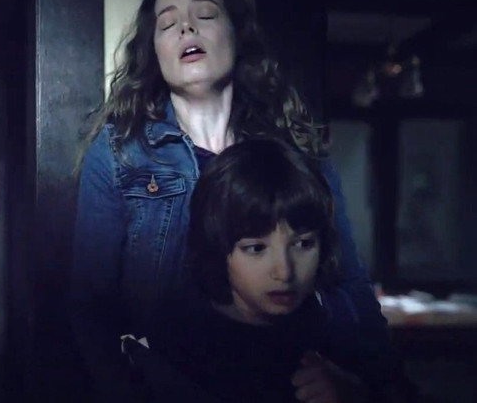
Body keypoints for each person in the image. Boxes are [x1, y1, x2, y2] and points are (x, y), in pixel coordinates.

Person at [69, 0, 390, 400]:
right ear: (154, 52)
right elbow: (91, 306)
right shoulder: (120, 151)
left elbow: (347, 282)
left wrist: (373, 386)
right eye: (168, 23)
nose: (187, 27)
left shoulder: (294, 145)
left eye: (205, 14)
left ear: (236, 36)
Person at [122, 139, 394, 402]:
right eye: (256, 248)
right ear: (218, 248)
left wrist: (352, 393)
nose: (284, 272)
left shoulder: (336, 333)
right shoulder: (176, 348)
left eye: (303, 244)